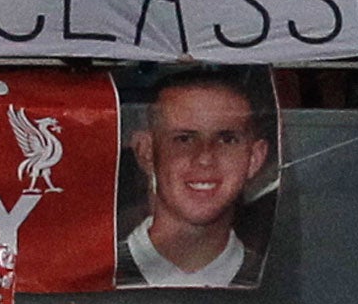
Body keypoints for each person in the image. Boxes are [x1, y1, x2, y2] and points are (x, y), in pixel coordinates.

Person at [116, 66, 275, 288]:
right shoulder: (95, 277)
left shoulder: (280, 283)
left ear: (255, 158)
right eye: (184, 139)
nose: (205, 158)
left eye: (227, 140)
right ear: (146, 151)